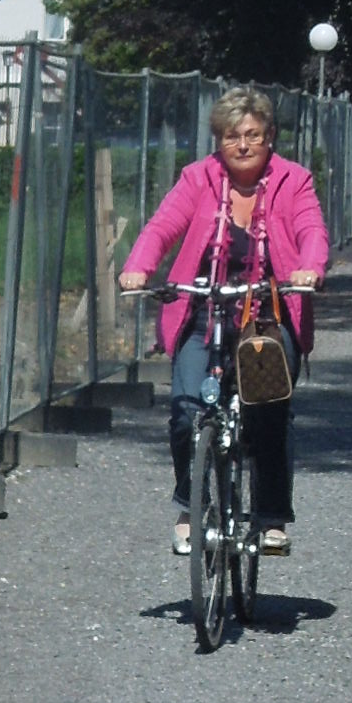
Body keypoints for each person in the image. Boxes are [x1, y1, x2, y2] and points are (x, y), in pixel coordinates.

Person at [117, 86, 330, 556]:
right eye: (232, 136)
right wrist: (138, 267)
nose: (243, 145)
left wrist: (309, 268)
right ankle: (190, 507)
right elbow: (162, 226)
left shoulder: (293, 181)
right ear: (219, 141)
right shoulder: (198, 178)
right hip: (204, 309)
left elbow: (311, 230)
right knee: (186, 411)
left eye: (253, 135)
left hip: (266, 316)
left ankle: (270, 516)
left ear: (269, 138)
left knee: (269, 409)